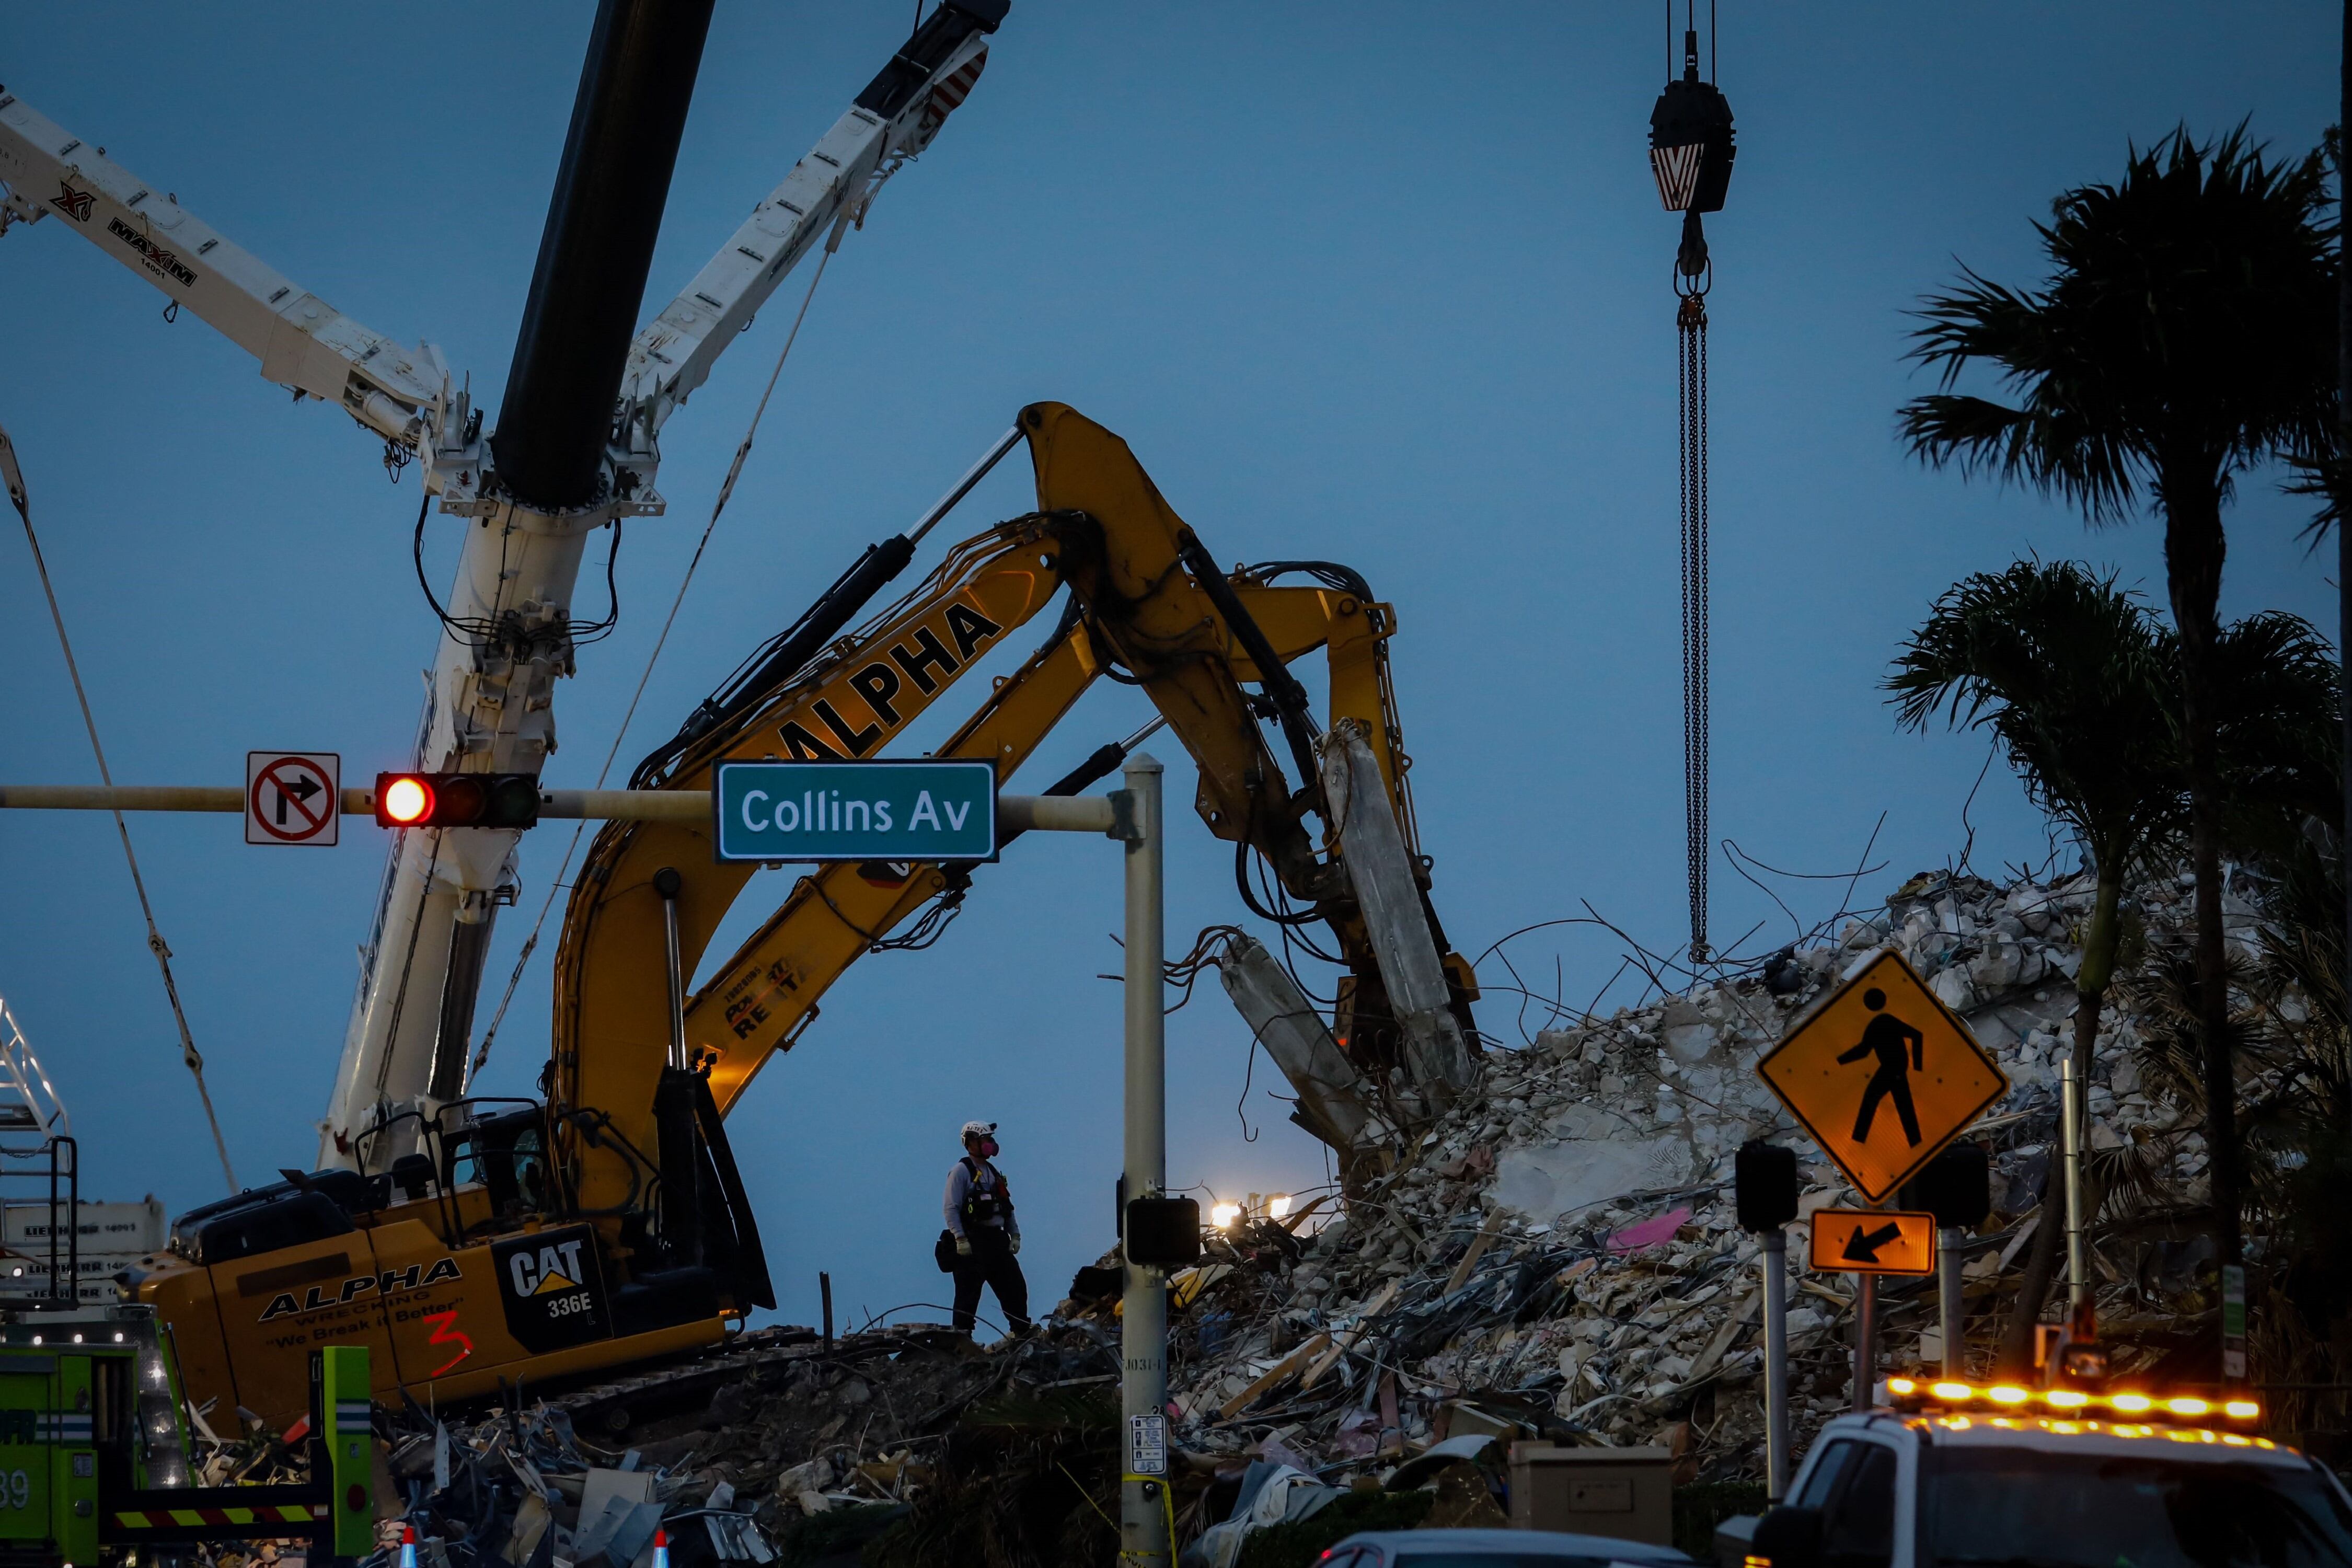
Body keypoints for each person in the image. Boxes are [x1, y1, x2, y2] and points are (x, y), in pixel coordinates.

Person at [943, 1120, 1030, 1337]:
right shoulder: (961, 1171)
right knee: (967, 1297)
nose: (991, 1144)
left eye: (991, 1139)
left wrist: (1015, 1234)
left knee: (1015, 1289)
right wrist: (960, 1239)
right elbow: (951, 1208)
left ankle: (1021, 1333)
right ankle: (961, 1342)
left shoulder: (993, 1172)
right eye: (986, 1139)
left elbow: (1007, 1207)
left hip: (997, 1241)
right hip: (972, 1243)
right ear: (971, 1142)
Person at [1838, 987, 1925, 1146]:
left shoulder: (1881, 1022)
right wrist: (1840, 1061)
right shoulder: (1883, 1021)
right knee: (1902, 1104)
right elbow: (1864, 1051)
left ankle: (1858, 1140)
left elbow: (1864, 1050)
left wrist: (1918, 1067)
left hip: (1892, 1068)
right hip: (1895, 1067)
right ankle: (1916, 1141)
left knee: (1874, 1098)